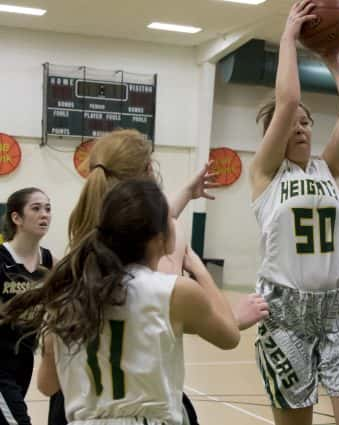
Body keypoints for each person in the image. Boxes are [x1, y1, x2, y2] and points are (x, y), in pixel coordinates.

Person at [48, 129, 267, 425]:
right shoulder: (169, 286)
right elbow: (221, 331)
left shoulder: (69, 277)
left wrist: (186, 194)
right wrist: (201, 271)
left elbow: (47, 384)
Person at [1, 179, 247, 425]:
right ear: (165, 237)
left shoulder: (68, 296)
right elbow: (230, 335)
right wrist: (199, 268)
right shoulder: (175, 292)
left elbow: (47, 385)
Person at [249, 1, 339, 424]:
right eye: (291, 123)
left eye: (306, 123)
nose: (300, 128)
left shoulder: (328, 168)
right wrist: (287, 37)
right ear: (272, 136)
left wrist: (334, 60)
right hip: (284, 310)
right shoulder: (265, 174)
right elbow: (288, 99)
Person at [0, 188, 53, 425]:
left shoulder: (48, 260)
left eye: (48, 208)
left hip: (24, 360)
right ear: (16, 218)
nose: (45, 214)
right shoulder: (2, 259)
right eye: (36, 208)